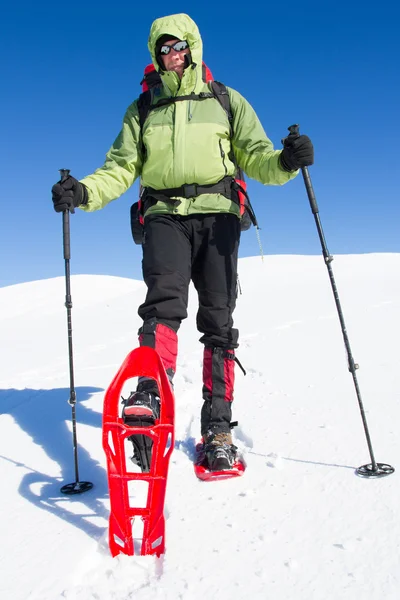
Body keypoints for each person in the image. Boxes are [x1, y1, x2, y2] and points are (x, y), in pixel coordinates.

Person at [52, 13, 314, 472]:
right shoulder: (143, 109)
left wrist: (287, 161)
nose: (172, 55)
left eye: (179, 47)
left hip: (218, 217)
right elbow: (120, 167)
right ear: (156, 56)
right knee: (163, 306)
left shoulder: (225, 100)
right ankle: (149, 402)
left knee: (217, 319)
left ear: (193, 48)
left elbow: (257, 157)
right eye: (164, 49)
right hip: (164, 216)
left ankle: (218, 428)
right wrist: (85, 192)